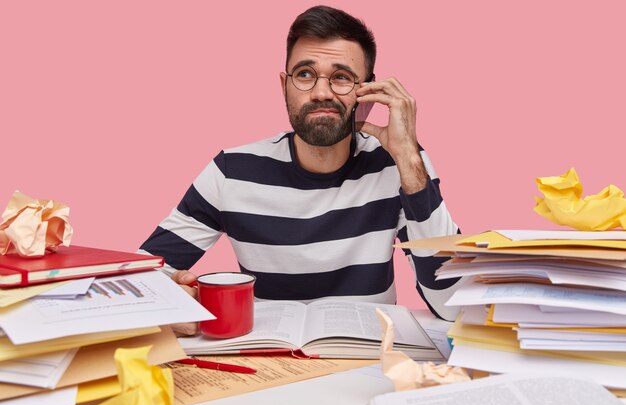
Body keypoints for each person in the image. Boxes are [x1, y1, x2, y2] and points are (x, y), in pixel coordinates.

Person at [140, 5, 462, 335]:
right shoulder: (230, 172)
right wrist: (174, 297)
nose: (321, 93)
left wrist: (408, 156)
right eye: (305, 74)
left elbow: (452, 302)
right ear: (284, 85)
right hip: (268, 363)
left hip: (369, 361)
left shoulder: (401, 166)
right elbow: (139, 278)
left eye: (341, 77)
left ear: (366, 91)